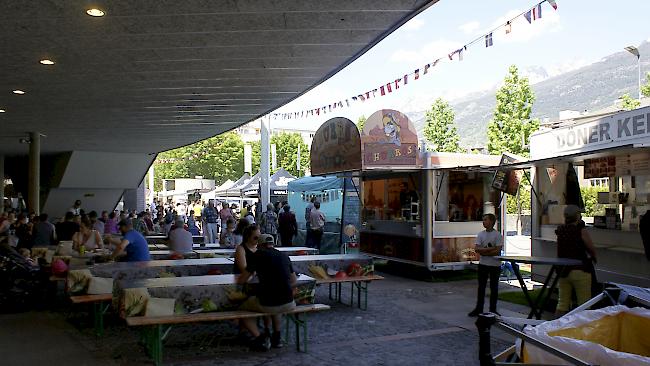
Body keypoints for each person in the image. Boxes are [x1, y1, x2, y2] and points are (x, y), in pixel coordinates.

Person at [237, 233, 297, 351]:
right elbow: (294, 281)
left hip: (268, 303)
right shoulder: (284, 255)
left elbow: (242, 280)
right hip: (289, 302)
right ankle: (277, 338)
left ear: (259, 245)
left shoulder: (257, 255)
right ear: (273, 244)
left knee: (240, 309)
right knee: (276, 303)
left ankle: (260, 338)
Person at [555, 205, 597, 316]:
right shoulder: (581, 231)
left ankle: (554, 327)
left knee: (562, 303)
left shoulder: (560, 230)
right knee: (584, 304)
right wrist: (594, 257)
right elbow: (591, 248)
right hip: (580, 269)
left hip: (563, 270)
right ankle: (582, 329)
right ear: (578, 216)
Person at [468, 213, 503, 317]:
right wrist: (489, 249)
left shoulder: (497, 235)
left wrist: (485, 251)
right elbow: (477, 249)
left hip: (495, 265)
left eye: (485, 220)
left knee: (494, 287)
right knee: (481, 287)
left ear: (491, 222)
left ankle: (493, 309)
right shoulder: (481, 234)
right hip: (483, 264)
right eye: (483, 220)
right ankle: (479, 308)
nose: (483, 222)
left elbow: (497, 251)